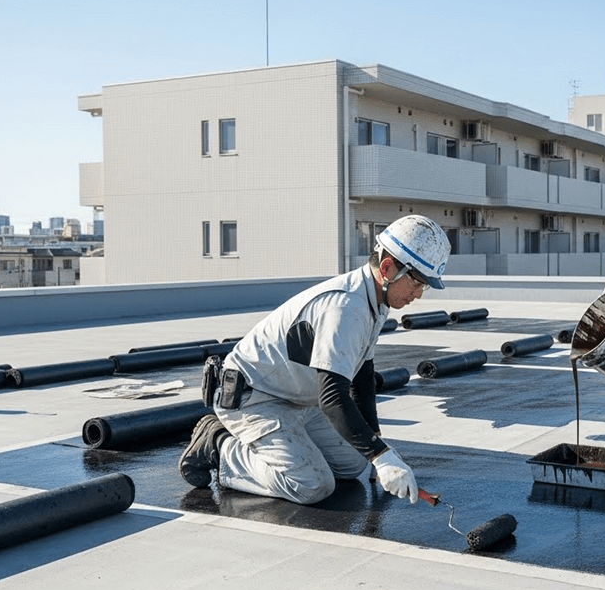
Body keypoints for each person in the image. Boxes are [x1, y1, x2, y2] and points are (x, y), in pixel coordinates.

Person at [178, 215, 450, 505]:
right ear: (387, 268)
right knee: (312, 485)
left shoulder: (376, 301)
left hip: (296, 399)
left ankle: (285, 444)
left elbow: (362, 377)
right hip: (254, 399)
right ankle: (218, 444)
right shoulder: (345, 309)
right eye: (417, 283)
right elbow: (332, 397)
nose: (418, 295)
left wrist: (377, 446)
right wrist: (382, 458)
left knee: (355, 464)